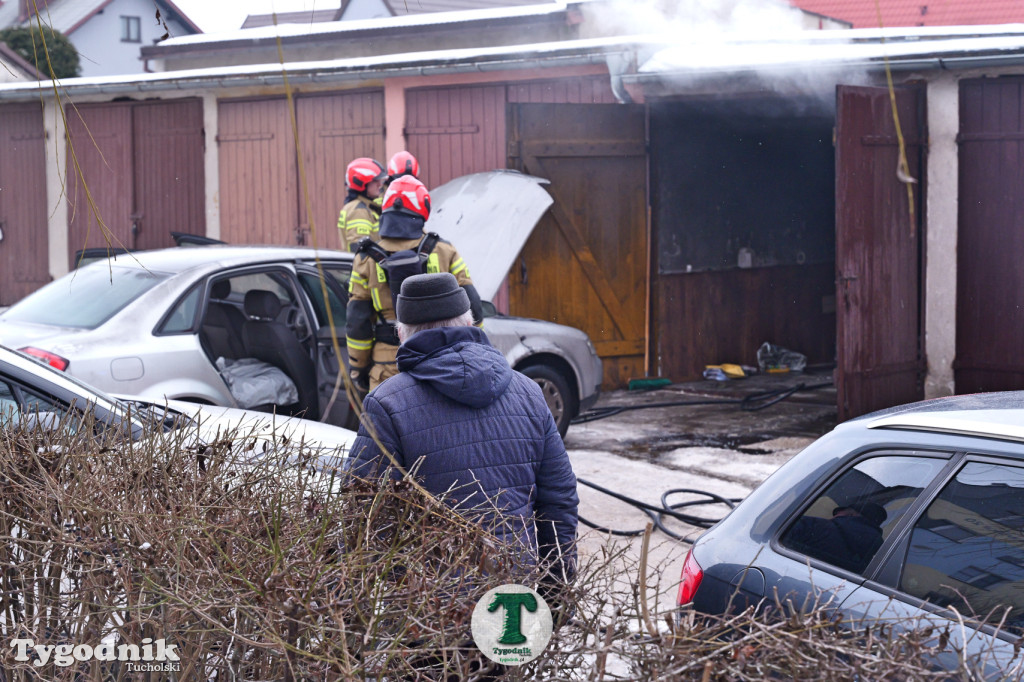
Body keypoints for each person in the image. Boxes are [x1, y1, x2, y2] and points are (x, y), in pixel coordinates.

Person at [348, 272, 579, 596]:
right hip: (513, 603)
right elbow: (559, 500)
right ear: (470, 321)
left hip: (430, 612)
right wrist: (556, 593)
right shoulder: (528, 392)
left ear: (402, 334)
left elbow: (365, 519)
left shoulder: (386, 404)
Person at [345, 176, 483, 392]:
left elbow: (357, 320)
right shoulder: (444, 250)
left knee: (384, 423)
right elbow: (472, 304)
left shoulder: (365, 258)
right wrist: (478, 350)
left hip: (387, 366)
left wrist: (358, 368)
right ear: (423, 209)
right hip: (444, 360)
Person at [784, 501, 887, 573]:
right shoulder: (878, 556)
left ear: (851, 515)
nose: (832, 517)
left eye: (837, 514)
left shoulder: (810, 525)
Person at [337, 157, 386, 252]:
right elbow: (360, 251)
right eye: (375, 180)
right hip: (364, 266)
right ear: (361, 183)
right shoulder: (359, 211)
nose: (380, 184)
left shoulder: (365, 206)